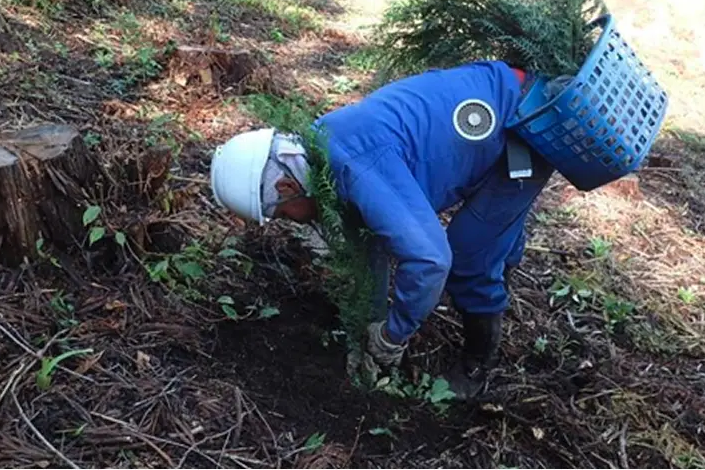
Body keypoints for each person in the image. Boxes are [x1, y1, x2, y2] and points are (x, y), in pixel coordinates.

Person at [210, 60, 556, 400]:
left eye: (284, 214)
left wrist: (394, 334)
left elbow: (430, 261)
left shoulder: (353, 166)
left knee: (469, 256)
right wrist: (369, 327)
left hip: (524, 124)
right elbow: (371, 239)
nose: (293, 221)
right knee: (490, 231)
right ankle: (495, 286)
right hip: (506, 97)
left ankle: (476, 367)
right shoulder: (322, 144)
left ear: (286, 187)